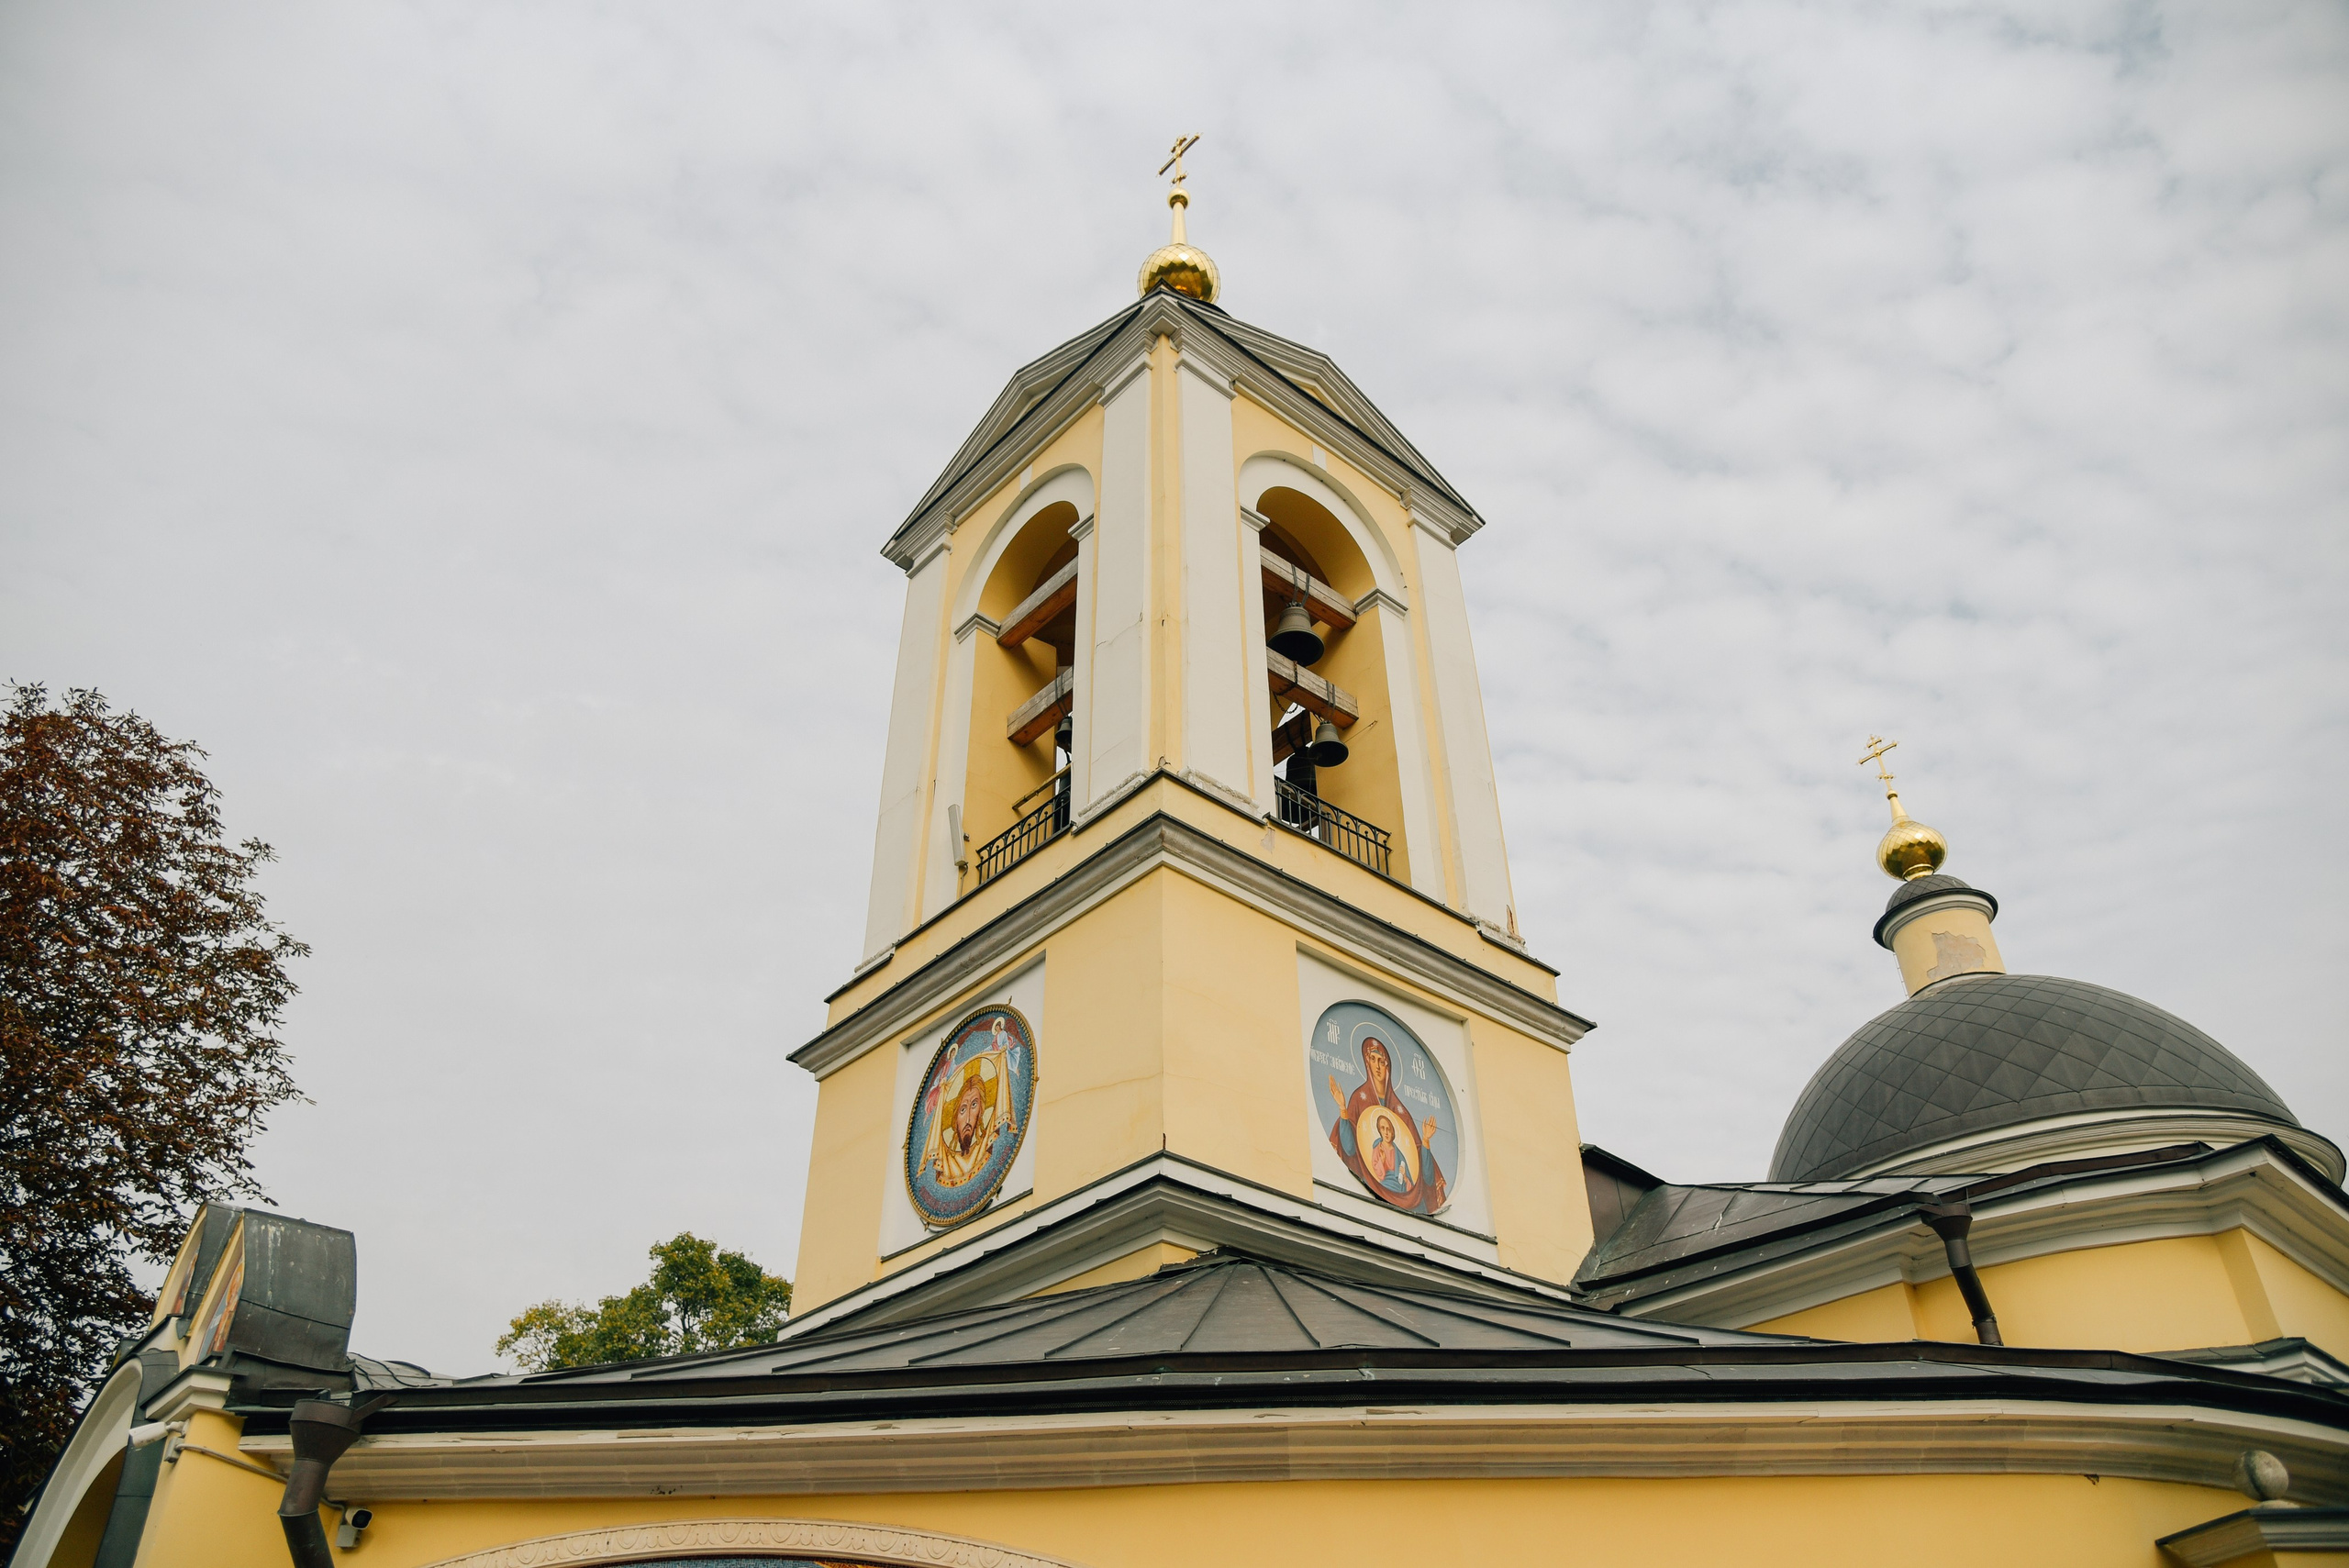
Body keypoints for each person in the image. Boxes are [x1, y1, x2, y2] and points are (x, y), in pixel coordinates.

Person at [1325, 1036, 1447, 1212]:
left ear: (1387, 1067)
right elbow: (1349, 1149)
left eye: (1381, 1061)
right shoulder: (1359, 1099)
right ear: (1367, 1063)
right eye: (1373, 1059)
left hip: (1406, 1195)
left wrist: (1426, 1141)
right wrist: (1343, 1109)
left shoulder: (1401, 1111)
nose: (1377, 1066)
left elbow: (1424, 1175)